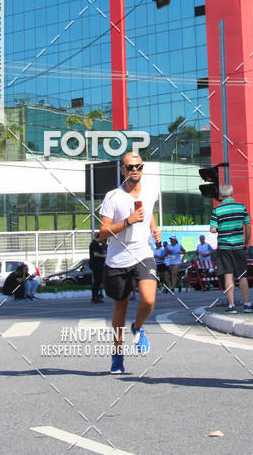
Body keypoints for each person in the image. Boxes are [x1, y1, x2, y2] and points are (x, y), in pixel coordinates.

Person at [99, 150, 161, 374]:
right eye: (130, 167)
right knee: (120, 307)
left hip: (143, 254)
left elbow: (149, 211)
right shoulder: (112, 197)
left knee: (149, 299)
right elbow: (103, 232)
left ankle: (138, 327)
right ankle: (117, 355)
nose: (135, 170)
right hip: (117, 260)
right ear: (122, 170)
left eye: (139, 167)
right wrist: (128, 221)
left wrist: (154, 228)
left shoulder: (151, 190)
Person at [210, 182, 253, 314]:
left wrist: (223, 228)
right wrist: (246, 242)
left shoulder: (217, 209)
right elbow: (248, 226)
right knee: (242, 274)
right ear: (231, 193)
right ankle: (247, 303)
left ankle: (231, 305)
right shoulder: (241, 207)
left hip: (224, 246)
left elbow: (213, 229)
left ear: (221, 194)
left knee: (228, 274)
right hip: (238, 245)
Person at [89, 233, 107, 303]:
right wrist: (104, 256)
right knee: (97, 281)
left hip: (97, 264)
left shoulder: (95, 244)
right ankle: (95, 297)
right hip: (96, 264)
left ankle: (96, 296)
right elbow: (95, 254)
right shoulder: (94, 244)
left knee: (98, 281)